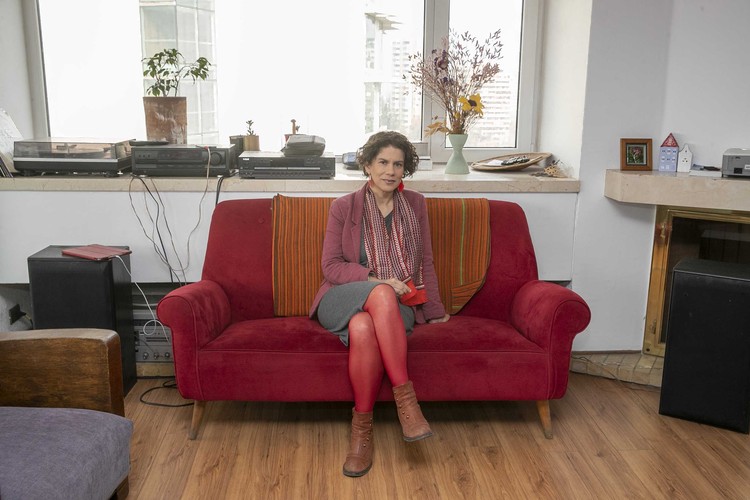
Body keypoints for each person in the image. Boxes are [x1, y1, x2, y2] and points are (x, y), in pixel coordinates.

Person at [309, 130, 451, 477]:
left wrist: (433, 310)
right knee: (382, 293)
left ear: (405, 169)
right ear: (368, 166)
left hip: (397, 305)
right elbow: (331, 266)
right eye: (383, 162)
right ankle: (407, 403)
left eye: (398, 164)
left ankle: (361, 432)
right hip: (342, 297)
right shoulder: (344, 207)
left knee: (363, 327)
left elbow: (425, 261)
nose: (390, 171)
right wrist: (377, 281)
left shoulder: (415, 204)